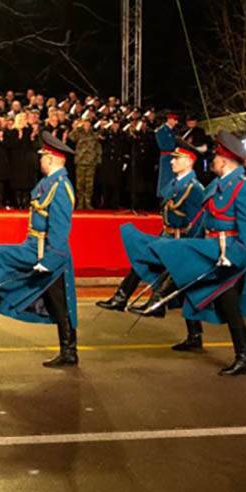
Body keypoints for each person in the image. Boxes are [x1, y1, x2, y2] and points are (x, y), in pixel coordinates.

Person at [0, 132, 79, 368]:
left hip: (46, 252)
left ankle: (69, 351)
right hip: (33, 247)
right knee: (1, 258)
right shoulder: (49, 183)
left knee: (59, 303)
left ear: (52, 159)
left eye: (43, 157)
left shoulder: (61, 187)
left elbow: (60, 229)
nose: (40, 161)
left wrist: (49, 261)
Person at [148, 131, 246, 376]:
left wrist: (235, 257)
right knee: (197, 293)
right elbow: (204, 218)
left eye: (217, 157)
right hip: (210, 251)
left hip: (227, 256)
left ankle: (245, 358)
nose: (214, 161)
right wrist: (190, 245)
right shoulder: (218, 184)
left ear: (226, 160)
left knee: (231, 308)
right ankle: (194, 335)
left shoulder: (243, 187)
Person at [97, 142, 206, 349]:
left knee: (182, 287)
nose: (172, 161)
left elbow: (199, 220)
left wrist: (190, 247)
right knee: (143, 258)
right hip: (167, 235)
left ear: (189, 161)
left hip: (180, 240)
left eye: (176, 158)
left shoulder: (195, 188)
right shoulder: (176, 183)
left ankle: (160, 307)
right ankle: (123, 298)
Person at [70, 118, 101, 210]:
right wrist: (77, 127)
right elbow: (71, 137)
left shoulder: (94, 133)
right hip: (80, 161)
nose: (87, 125)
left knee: (89, 184)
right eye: (85, 123)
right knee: (80, 183)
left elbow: (98, 147)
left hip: (91, 162)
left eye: (88, 123)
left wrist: (98, 159)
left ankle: (87, 202)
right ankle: (80, 202)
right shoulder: (79, 133)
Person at [154, 112, 180, 192]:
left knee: (173, 180)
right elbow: (163, 146)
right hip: (167, 158)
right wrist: (175, 147)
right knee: (166, 180)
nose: (176, 122)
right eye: (175, 120)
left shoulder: (173, 131)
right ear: (169, 120)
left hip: (174, 157)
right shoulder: (161, 131)